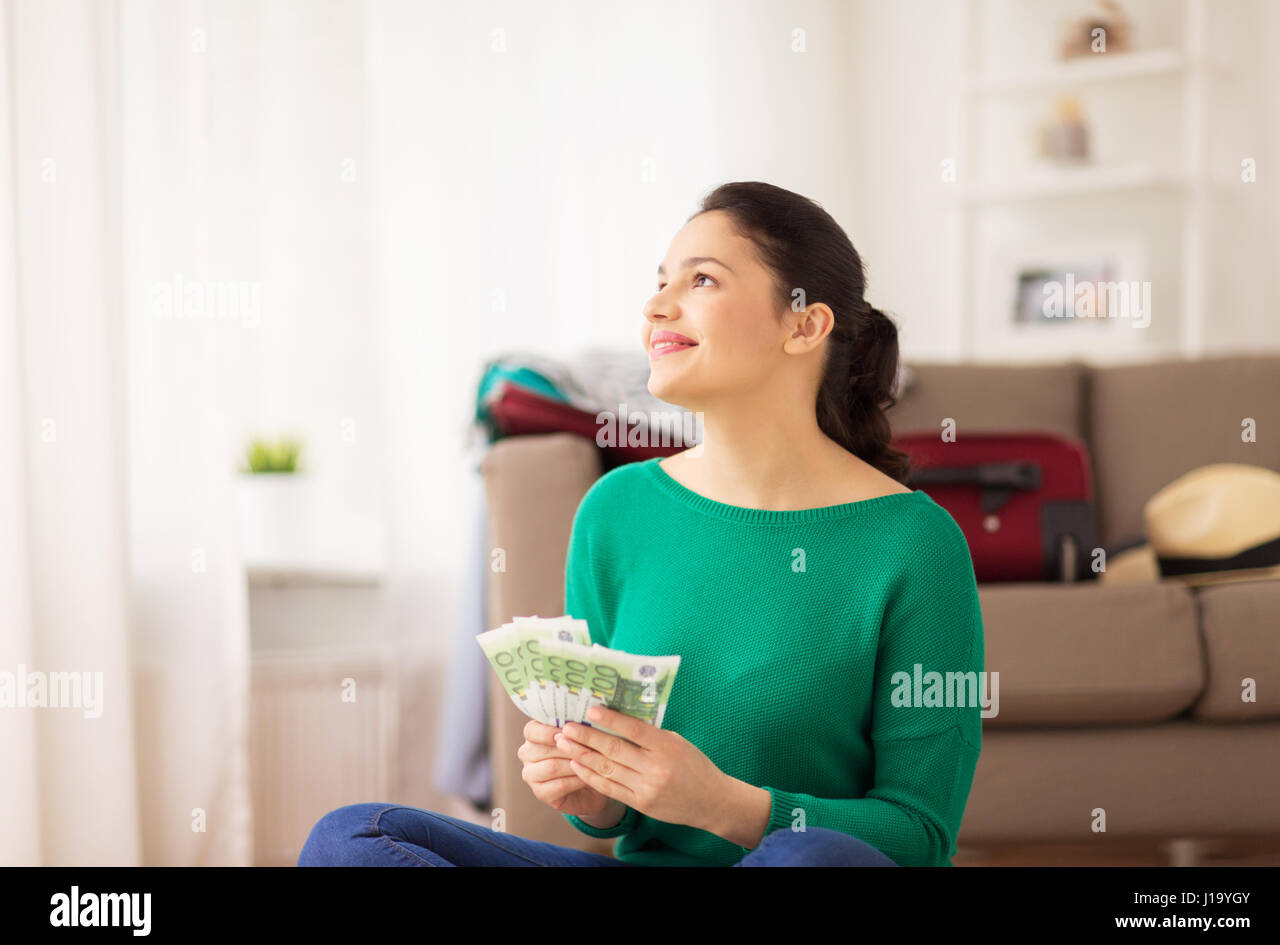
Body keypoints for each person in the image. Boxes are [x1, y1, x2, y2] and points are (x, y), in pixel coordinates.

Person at [298, 180, 984, 867]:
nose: (657, 306)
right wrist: (596, 793)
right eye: (659, 282)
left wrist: (722, 804)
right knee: (354, 835)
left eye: (703, 280)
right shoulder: (617, 510)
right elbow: (616, 810)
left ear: (803, 325)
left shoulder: (914, 545)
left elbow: (920, 835)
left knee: (811, 860)